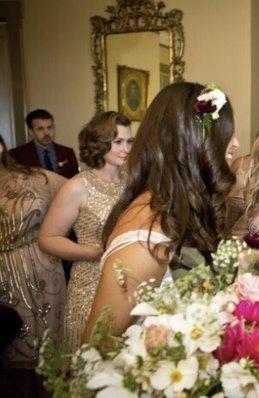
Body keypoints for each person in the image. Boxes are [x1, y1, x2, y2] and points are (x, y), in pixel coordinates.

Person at [82, 82, 239, 342]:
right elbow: (92, 352)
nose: (235, 143)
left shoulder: (176, 209)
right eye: (224, 133)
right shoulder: (143, 245)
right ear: (191, 143)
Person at [38, 111, 133, 352]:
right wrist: (91, 253)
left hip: (128, 282)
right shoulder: (77, 187)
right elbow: (47, 239)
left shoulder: (132, 182)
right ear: (100, 144)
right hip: (90, 283)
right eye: (118, 142)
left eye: (129, 141)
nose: (126, 149)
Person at [0, 134, 66, 397]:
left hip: (44, 270)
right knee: (15, 354)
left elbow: (81, 195)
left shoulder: (37, 178)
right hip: (4, 278)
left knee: (51, 349)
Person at [10, 109, 79, 178]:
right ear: (31, 131)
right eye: (40, 129)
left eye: (49, 127)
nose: (46, 133)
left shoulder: (67, 152)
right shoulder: (16, 155)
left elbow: (76, 180)